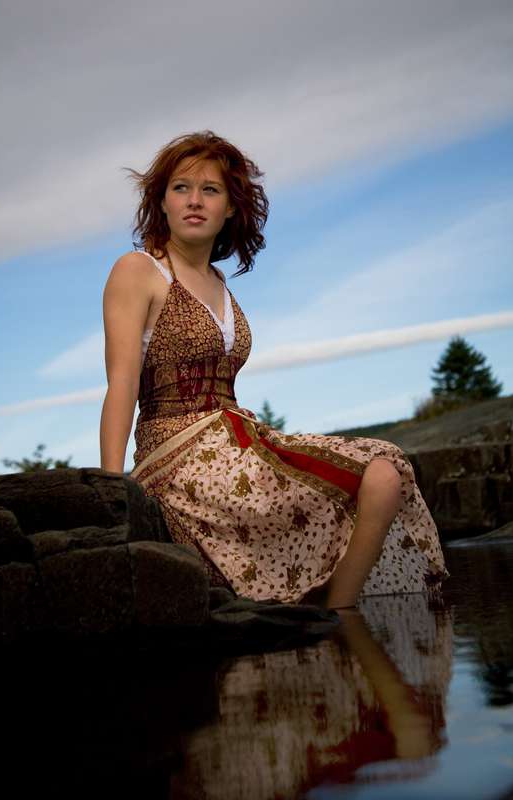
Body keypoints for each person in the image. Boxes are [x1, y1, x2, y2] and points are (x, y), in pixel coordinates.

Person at [100, 129, 448, 610]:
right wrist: (110, 488)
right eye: (181, 188)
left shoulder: (219, 281)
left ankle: (337, 621)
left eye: (211, 190)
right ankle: (332, 621)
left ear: (230, 209)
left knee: (385, 474)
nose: (194, 201)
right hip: (175, 454)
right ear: (161, 202)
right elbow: (120, 382)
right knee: (376, 475)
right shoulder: (138, 270)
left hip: (237, 440)